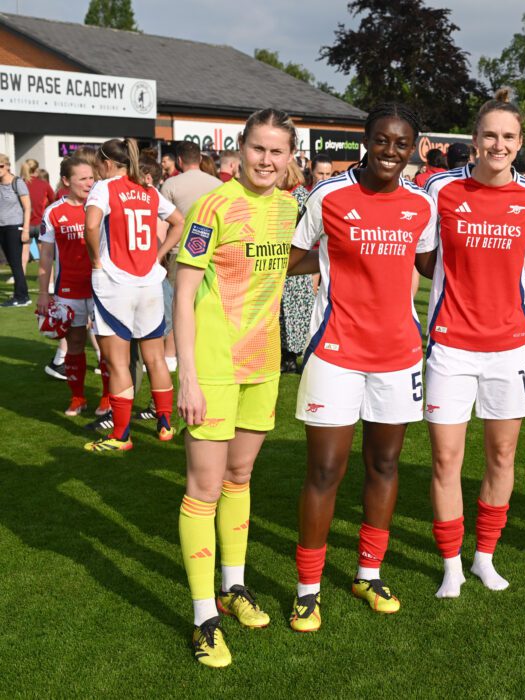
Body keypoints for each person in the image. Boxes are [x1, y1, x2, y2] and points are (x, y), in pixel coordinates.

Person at [287, 103, 436, 628]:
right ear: (365, 141)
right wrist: (328, 263)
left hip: (397, 354)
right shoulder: (328, 196)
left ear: (413, 148)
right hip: (335, 352)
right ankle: (308, 587)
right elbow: (292, 256)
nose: (390, 152)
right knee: (326, 469)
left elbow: (427, 261)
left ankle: (367, 573)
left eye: (401, 144)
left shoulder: (421, 205)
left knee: (385, 465)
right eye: (381, 140)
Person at [174, 109, 300, 668]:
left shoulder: (288, 206)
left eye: (277, 151)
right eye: (257, 149)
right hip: (214, 366)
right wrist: (188, 377)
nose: (266, 160)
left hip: (263, 364)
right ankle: (204, 617)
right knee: (203, 488)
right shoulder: (212, 205)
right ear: (240, 150)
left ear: (289, 156)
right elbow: (182, 295)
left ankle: (234, 585)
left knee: (240, 476)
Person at [424, 90, 525, 598]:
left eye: (509, 137)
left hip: (509, 346)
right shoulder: (439, 189)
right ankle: (451, 563)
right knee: (445, 459)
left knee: (502, 457)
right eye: (490, 135)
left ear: (519, 144)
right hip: (450, 345)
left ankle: (484, 556)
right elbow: (421, 256)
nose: (499, 144)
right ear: (474, 141)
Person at [83, 138, 184, 452]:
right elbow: (178, 221)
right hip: (149, 282)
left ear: (108, 163)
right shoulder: (148, 189)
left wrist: (96, 259)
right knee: (155, 358)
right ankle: (165, 425)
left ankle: (121, 436)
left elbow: (91, 225)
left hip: (115, 283)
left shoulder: (106, 186)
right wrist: (159, 255)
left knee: (117, 362)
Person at [37, 155, 107, 416]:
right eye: (83, 178)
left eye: (91, 177)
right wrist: (44, 293)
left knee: (106, 346)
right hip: (69, 290)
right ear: (66, 181)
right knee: (75, 345)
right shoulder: (53, 211)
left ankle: (108, 398)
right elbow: (45, 255)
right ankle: (78, 398)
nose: (89, 183)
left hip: (102, 288)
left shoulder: (101, 206)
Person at [161, 141, 223, 372]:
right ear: (199, 157)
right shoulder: (218, 184)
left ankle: (170, 355)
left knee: (179, 305)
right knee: (206, 306)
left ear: (179, 160)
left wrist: (161, 253)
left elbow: (163, 223)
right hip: (212, 254)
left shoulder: (171, 184)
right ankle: (200, 352)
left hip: (180, 253)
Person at [278, 160, 313, 373]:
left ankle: (290, 356)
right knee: (288, 314)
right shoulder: (290, 196)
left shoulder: (298, 197)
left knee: (293, 314)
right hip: (292, 261)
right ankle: (287, 355)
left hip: (296, 261)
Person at [0, 153, 32, 307]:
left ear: (7, 166)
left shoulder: (17, 182)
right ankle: (21, 295)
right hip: (2, 227)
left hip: (15, 227)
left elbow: (27, 207)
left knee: (16, 263)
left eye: (1, 166)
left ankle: (21, 297)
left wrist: (25, 230)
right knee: (12, 264)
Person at [23, 158, 55, 269]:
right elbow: (54, 200)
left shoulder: (21, 183)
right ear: (37, 170)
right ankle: (49, 282)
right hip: (41, 223)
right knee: (44, 255)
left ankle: (20, 280)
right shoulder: (44, 184)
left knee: (24, 254)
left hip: (25, 224)